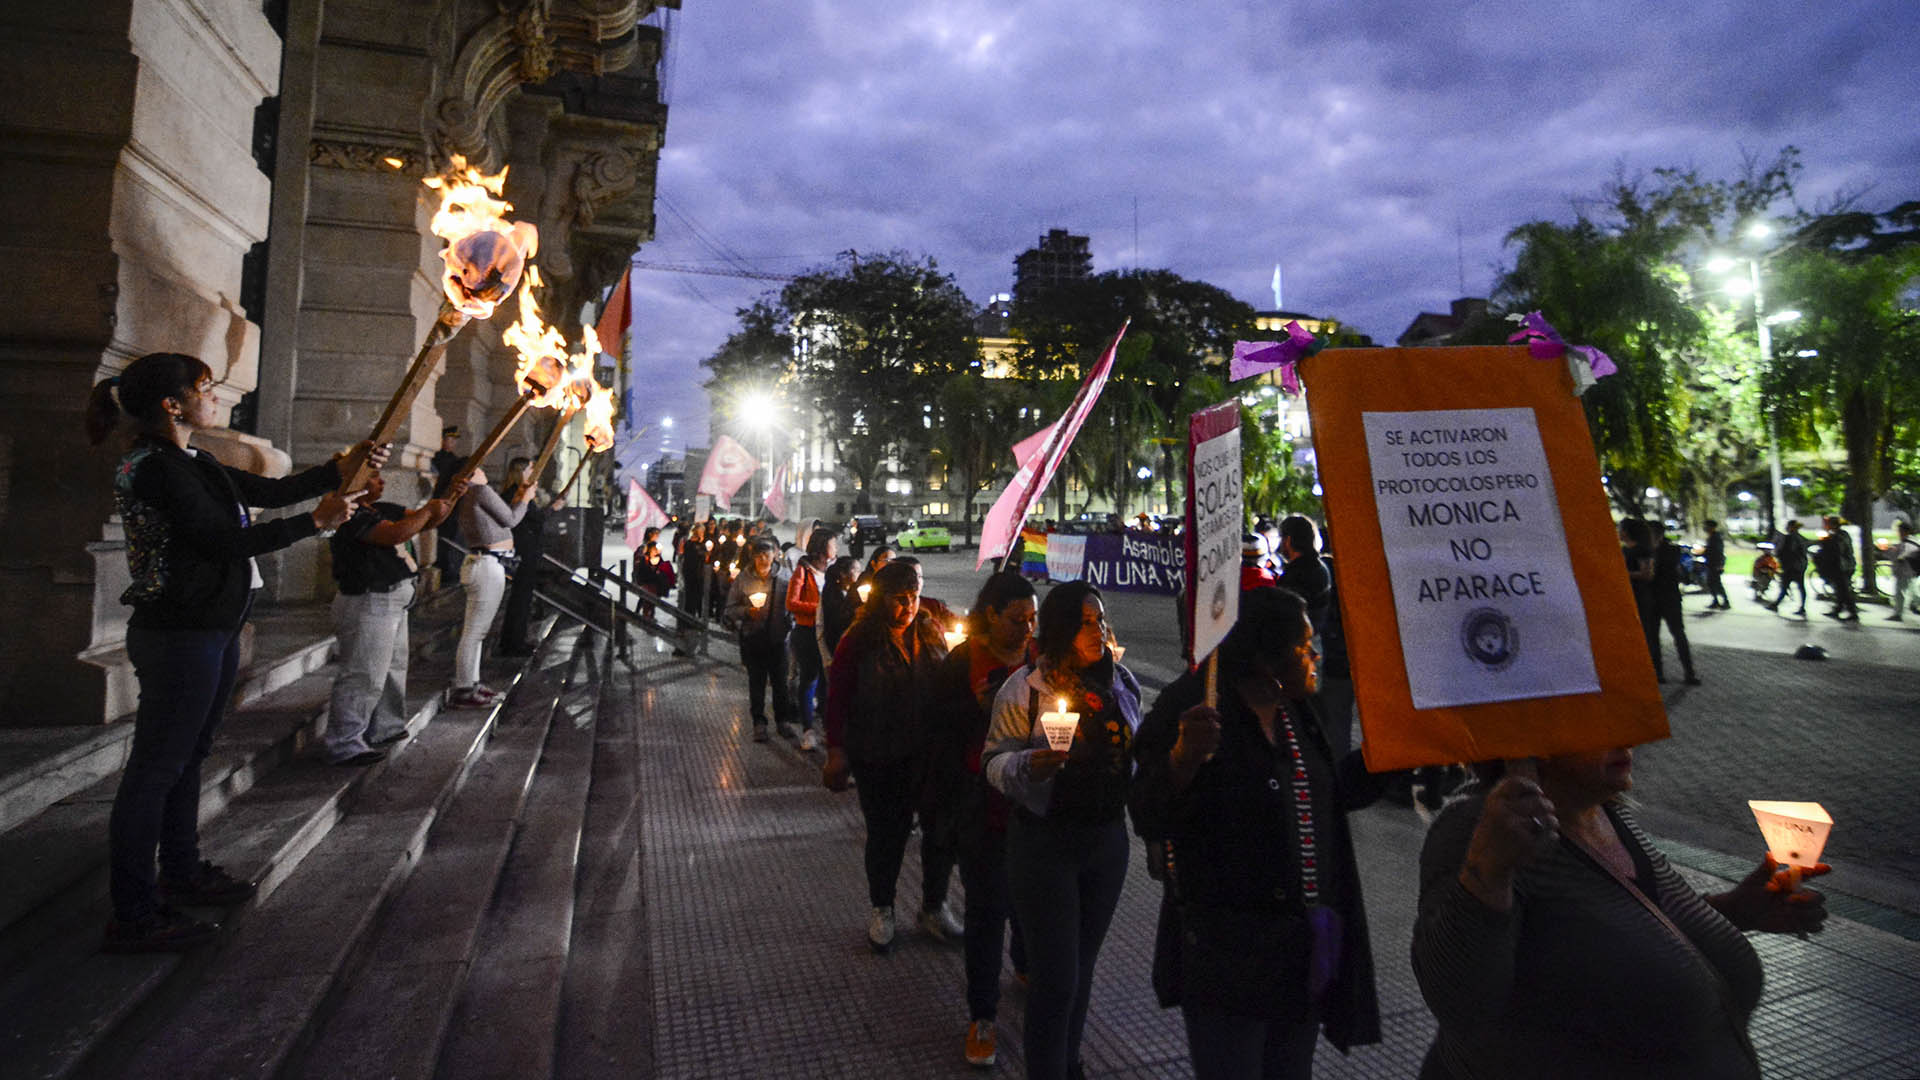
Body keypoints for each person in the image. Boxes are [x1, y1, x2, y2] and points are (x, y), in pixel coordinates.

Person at [86, 352, 378, 952]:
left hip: (212, 629)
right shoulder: (155, 467)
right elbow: (222, 542)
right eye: (205, 389)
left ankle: (183, 869)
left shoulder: (194, 459)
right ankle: (134, 913)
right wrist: (316, 524)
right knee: (155, 770)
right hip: (179, 634)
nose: (219, 398)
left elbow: (271, 491)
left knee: (189, 756)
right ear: (174, 404)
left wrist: (336, 469)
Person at [1412, 748, 1828, 1079]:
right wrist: (1486, 871)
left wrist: (1735, 910)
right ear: (1532, 728)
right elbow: (1459, 1003)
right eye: (1590, 715)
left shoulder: (1604, 812)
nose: (1622, 734)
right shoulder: (1477, 830)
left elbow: (1607, 932)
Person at [1130, 586, 1384, 1080]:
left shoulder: (1296, 713)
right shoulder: (1197, 709)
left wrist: (1390, 755)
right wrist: (1183, 760)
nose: (1316, 654)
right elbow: (1147, 811)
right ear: (1267, 661)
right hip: (1228, 959)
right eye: (1303, 646)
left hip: (1300, 951)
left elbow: (1328, 797)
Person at [982, 581, 1143, 1080]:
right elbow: (992, 761)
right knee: (1055, 978)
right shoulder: (1026, 689)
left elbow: (1135, 757)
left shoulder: (1123, 683)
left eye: (1101, 620)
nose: (1098, 631)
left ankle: (1069, 1063)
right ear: (1061, 629)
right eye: (1085, 623)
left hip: (1106, 843)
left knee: (1082, 967)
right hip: (1045, 845)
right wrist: (1030, 764)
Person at [822, 560, 962, 952]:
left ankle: (933, 907)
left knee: (940, 834)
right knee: (887, 835)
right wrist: (836, 751)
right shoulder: (859, 639)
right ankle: (882, 908)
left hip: (930, 755)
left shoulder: (931, 629)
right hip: (879, 755)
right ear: (881, 600)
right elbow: (838, 699)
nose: (909, 606)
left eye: (915, 597)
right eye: (900, 599)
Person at [929, 572, 1038, 1067]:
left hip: (1033, 810)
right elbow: (936, 731)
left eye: (1034, 618)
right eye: (1019, 619)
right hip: (981, 809)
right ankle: (982, 1015)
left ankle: (1026, 965)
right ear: (991, 616)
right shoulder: (963, 661)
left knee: (1028, 903)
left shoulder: (1042, 663)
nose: (1028, 628)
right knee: (986, 911)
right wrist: (973, 711)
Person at [324, 471, 462, 765]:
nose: (380, 481)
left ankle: (384, 727)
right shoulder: (350, 513)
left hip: (392, 599)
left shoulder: (382, 509)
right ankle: (345, 742)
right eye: (372, 476)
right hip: (368, 598)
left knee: (391, 668)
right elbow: (394, 534)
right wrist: (427, 510)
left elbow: (429, 521)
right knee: (364, 672)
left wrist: (452, 495)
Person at [450, 464, 533, 708]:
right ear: (472, 473)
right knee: (474, 632)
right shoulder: (480, 491)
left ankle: (471, 683)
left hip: (483, 564)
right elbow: (511, 519)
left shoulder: (469, 494)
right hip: (486, 565)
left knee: (476, 632)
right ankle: (464, 689)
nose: (485, 471)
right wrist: (526, 499)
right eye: (479, 468)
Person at [724, 537, 796, 741]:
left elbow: (793, 605)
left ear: (775, 555)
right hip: (753, 639)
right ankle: (759, 722)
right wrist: (747, 611)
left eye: (767, 555)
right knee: (756, 683)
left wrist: (790, 620)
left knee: (780, 683)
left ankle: (782, 721)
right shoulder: (744, 579)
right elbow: (730, 609)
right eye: (759, 556)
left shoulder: (784, 577)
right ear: (753, 557)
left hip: (779, 639)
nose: (764, 559)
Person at [497, 456, 565, 657]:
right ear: (521, 472)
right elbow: (535, 518)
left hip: (526, 550)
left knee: (522, 598)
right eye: (530, 469)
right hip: (523, 551)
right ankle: (513, 643)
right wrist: (553, 508)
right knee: (521, 598)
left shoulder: (517, 493)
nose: (533, 473)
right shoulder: (517, 495)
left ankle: (515, 640)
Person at [786, 527, 837, 750]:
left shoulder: (835, 571)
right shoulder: (803, 572)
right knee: (809, 679)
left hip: (827, 633)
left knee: (827, 682)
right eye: (832, 544)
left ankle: (828, 727)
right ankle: (807, 730)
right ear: (821, 547)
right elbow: (791, 603)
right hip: (806, 633)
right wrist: (819, 608)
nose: (836, 548)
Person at [1649, 524, 1700, 685]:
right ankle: (1658, 672)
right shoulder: (1650, 550)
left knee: (1678, 635)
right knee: (1653, 637)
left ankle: (1688, 672)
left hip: (1668, 597)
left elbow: (1661, 571)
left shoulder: (1670, 551)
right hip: (1653, 599)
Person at [1274, 516, 1331, 640]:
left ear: (1288, 540)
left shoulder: (1296, 575)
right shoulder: (1320, 567)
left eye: (1281, 538)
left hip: (1299, 645)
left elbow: (1286, 618)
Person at [818, 555, 861, 674]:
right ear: (843, 574)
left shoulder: (855, 593)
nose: (860, 574)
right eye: (856, 570)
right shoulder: (830, 596)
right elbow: (822, 626)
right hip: (835, 649)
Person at [430, 425, 463, 577]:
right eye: (450, 439)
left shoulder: (455, 459)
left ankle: (448, 566)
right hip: (439, 499)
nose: (453, 443)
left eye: (455, 440)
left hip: (453, 504)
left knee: (451, 534)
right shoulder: (435, 457)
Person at [1814, 515, 1860, 622]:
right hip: (1842, 566)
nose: (1826, 526)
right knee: (1840, 590)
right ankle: (1838, 609)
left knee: (1843, 590)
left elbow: (1838, 551)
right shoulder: (1839, 535)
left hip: (1843, 567)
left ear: (1833, 525)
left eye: (1828, 524)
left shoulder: (1839, 536)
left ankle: (1853, 612)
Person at [1763, 519, 1809, 617]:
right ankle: (1801, 607)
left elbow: (1786, 552)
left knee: (1785, 586)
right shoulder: (1801, 538)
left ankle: (1775, 604)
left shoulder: (1790, 538)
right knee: (1799, 587)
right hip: (1800, 566)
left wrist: (1778, 554)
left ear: (1791, 527)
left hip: (1791, 566)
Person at [1890, 519, 1918, 621]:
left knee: (1900, 593)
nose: (1899, 532)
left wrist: (1901, 557)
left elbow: (1908, 552)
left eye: (1900, 530)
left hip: (1906, 572)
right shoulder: (1908, 541)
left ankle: (1898, 614)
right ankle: (1899, 612)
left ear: (1906, 531)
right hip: (1908, 572)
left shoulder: (1909, 542)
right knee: (1913, 593)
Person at [1701, 519, 1730, 609]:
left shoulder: (1715, 537)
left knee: (1716, 583)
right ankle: (1716, 601)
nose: (1705, 528)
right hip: (1711, 563)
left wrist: (1720, 564)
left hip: (1715, 564)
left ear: (1711, 527)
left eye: (1706, 526)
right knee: (1711, 583)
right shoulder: (1712, 536)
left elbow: (1717, 552)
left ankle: (1726, 601)